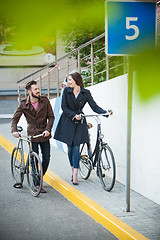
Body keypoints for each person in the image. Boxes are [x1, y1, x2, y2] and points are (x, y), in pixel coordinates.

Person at [54, 72, 107, 185]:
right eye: (68, 80)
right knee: (70, 149)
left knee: (76, 148)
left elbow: (94, 106)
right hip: (68, 121)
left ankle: (75, 176)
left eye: (70, 80)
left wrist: (104, 113)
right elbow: (64, 107)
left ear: (76, 80)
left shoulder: (85, 93)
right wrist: (74, 115)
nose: (68, 82)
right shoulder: (66, 92)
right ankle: (73, 169)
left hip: (80, 122)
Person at [11, 80, 55, 193]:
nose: (38, 91)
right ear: (30, 91)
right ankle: (36, 183)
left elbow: (51, 117)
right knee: (34, 159)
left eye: (38, 89)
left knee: (46, 158)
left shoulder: (45, 101)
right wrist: (14, 130)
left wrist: (48, 130)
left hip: (44, 133)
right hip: (32, 134)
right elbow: (15, 118)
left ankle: (39, 177)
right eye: (35, 89)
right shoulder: (23, 104)